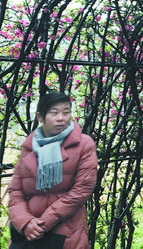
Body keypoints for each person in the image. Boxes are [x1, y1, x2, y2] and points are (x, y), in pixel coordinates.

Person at [8, 92, 98, 249]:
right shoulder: (29, 147)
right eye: (54, 113)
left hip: (65, 231)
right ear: (40, 117)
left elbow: (81, 190)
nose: (61, 118)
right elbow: (15, 191)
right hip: (27, 234)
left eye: (66, 112)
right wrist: (25, 222)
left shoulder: (83, 144)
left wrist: (42, 224)